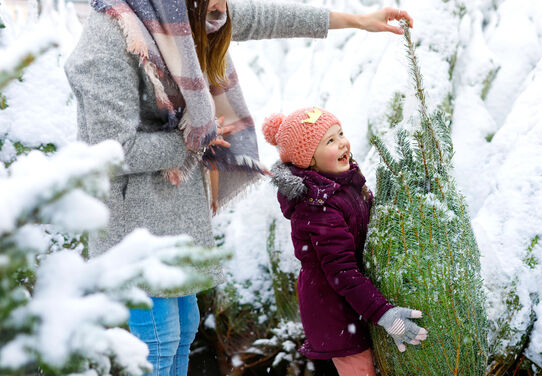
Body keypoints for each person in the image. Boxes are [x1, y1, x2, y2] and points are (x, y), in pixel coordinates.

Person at [64, 0, 414, 374]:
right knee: (159, 339)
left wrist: (357, 20)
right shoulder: (112, 33)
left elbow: (263, 17)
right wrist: (195, 139)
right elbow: (111, 151)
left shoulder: (190, 16)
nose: (222, 5)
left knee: (182, 333)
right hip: (133, 219)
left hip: (176, 209)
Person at [264, 107, 428, 376]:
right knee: (360, 371)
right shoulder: (317, 207)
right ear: (309, 161)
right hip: (333, 311)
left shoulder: (344, 181)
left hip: (355, 301)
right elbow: (342, 272)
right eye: (329, 141)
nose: (342, 143)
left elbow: (369, 215)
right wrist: (384, 314)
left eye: (340, 133)